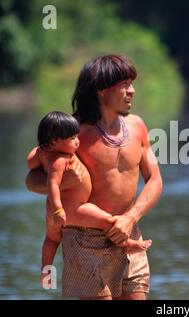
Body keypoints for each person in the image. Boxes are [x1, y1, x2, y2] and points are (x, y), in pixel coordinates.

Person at [26, 54, 163, 300]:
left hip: (128, 233)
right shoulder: (73, 134)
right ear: (101, 90)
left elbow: (155, 180)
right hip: (85, 240)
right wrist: (59, 182)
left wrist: (130, 218)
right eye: (124, 85)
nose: (131, 91)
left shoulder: (137, 126)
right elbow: (32, 179)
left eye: (132, 84)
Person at [26, 111, 152, 288]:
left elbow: (30, 161)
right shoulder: (60, 161)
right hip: (73, 209)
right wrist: (58, 210)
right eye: (72, 138)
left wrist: (41, 151)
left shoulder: (44, 153)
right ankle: (126, 244)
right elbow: (53, 185)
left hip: (58, 210)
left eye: (77, 136)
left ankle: (47, 274)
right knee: (107, 220)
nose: (77, 141)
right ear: (54, 141)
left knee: (52, 239)